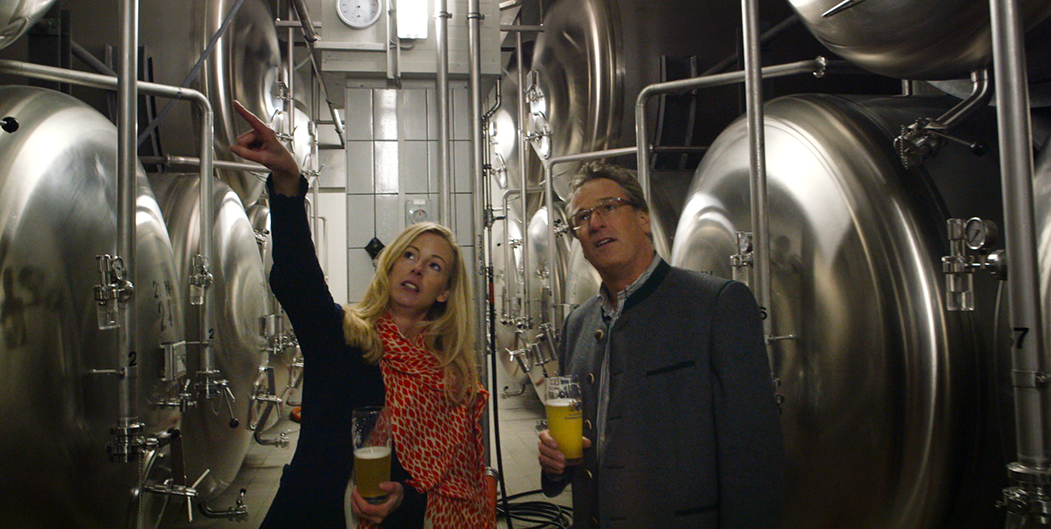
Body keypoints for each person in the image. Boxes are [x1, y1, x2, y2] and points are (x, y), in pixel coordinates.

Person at [229, 101, 494, 529]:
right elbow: (296, 279)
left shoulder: (451, 375)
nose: (416, 268)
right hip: (315, 515)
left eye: (434, 265)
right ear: (390, 266)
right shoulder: (343, 338)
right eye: (409, 255)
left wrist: (404, 497)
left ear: (445, 292)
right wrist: (287, 181)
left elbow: (449, 477)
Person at [537, 161, 785, 529]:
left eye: (608, 207)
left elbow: (754, 455)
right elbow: (581, 445)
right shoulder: (578, 324)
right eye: (582, 217)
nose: (595, 223)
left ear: (644, 219)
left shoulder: (715, 305)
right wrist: (555, 464)